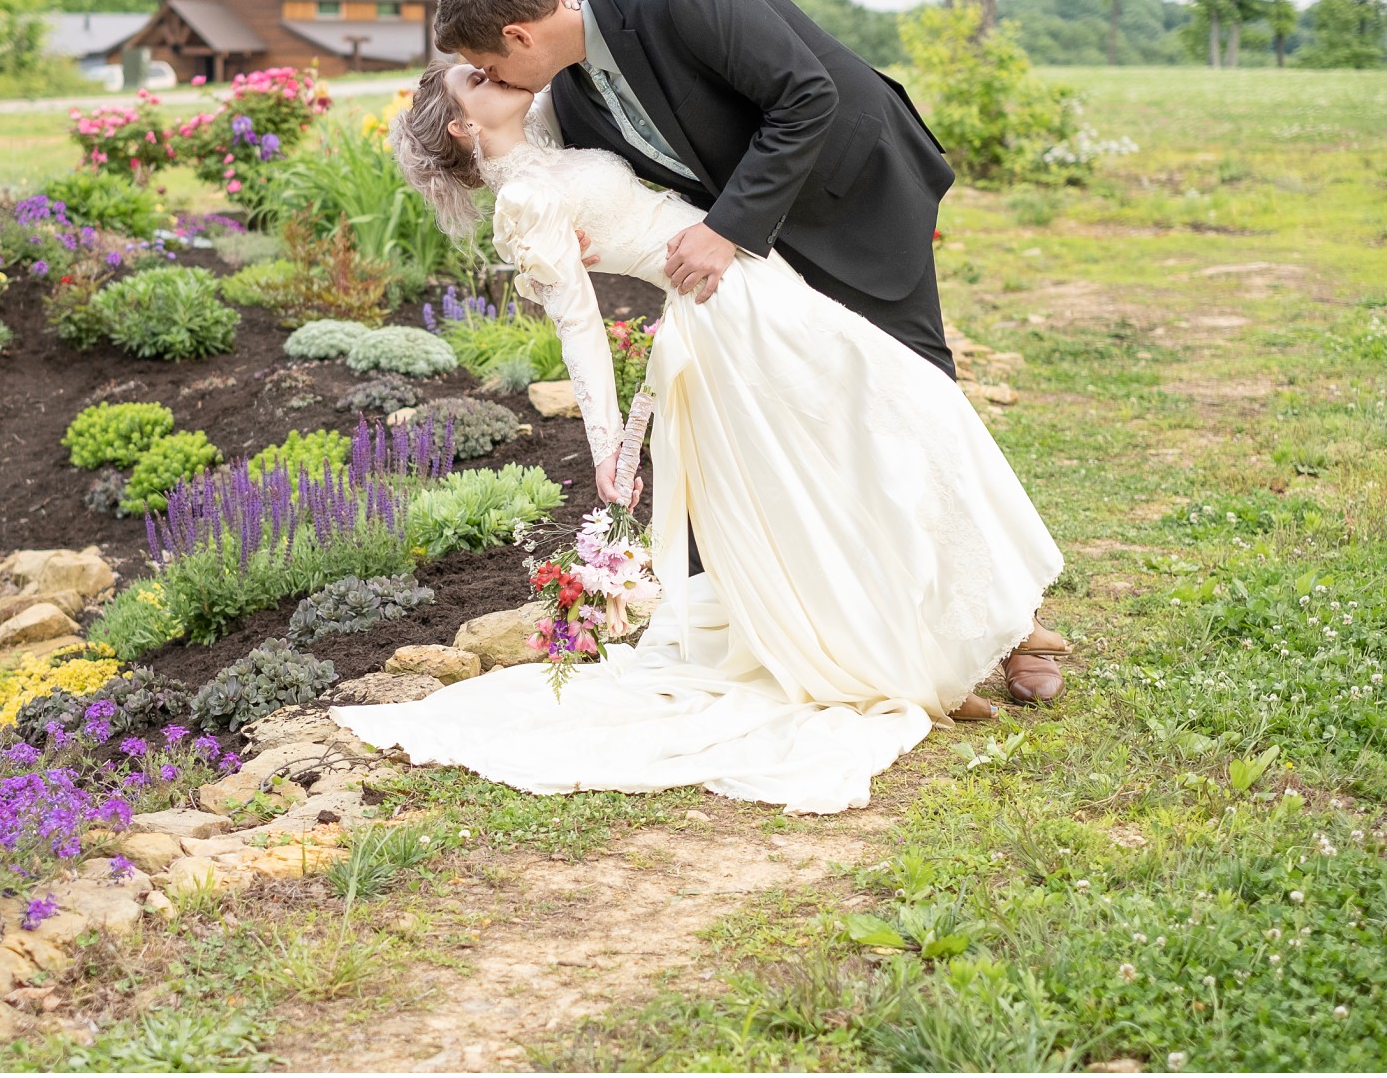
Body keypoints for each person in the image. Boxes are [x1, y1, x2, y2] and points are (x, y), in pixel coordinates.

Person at [325, 58, 1064, 814]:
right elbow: (577, 325)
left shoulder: (543, 128)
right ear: (461, 125)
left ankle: (976, 634)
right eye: (475, 82)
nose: (496, 73)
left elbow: (567, 23)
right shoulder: (521, 198)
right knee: (839, 470)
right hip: (723, 316)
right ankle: (911, 670)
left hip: (756, 277)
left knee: (887, 433)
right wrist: (608, 444)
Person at [445, 0, 1068, 701]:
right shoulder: (574, 103)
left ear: (517, 35)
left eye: (488, 64)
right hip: (763, 263)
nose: (498, 82)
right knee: (822, 440)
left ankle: (1016, 629)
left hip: (853, 196)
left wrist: (727, 227)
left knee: (919, 398)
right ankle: (910, 639)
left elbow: (808, 95)